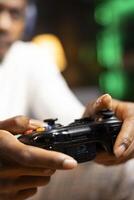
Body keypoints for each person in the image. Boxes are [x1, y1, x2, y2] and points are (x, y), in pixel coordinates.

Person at [0, 0, 134, 200]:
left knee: (127, 171)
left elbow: (70, 122)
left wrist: (96, 122)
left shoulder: (28, 57)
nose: (4, 24)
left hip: (25, 188)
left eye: (15, 14)